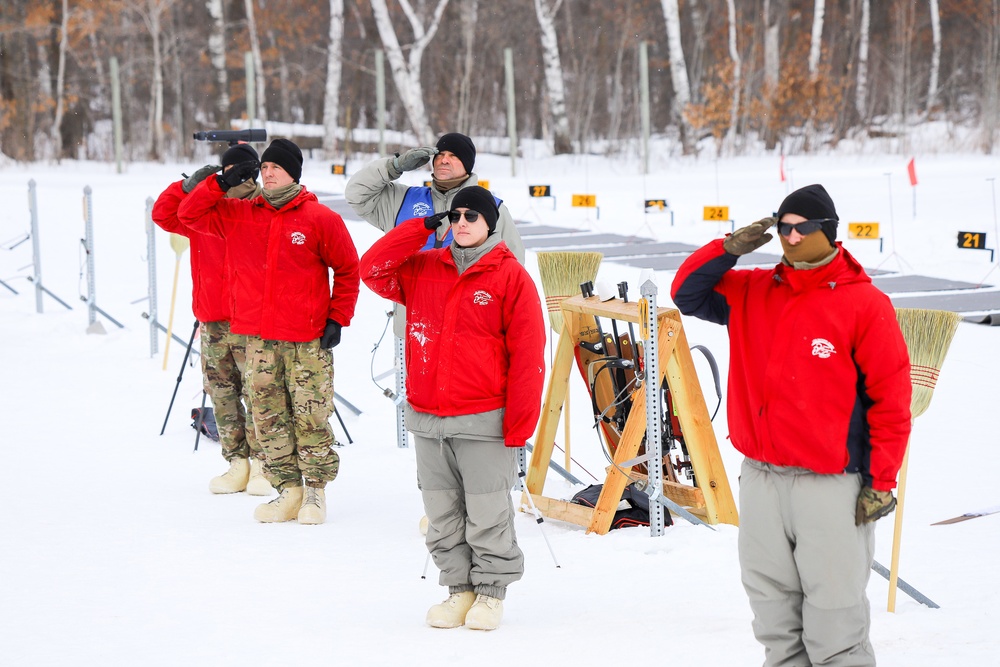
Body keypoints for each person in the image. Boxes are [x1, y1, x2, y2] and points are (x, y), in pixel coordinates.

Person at [670, 184, 912, 666]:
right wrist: (727, 249)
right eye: (784, 226)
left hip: (831, 483)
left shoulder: (864, 304)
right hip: (761, 477)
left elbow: (891, 402)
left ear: (829, 231)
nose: (791, 236)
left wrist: (881, 482)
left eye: (803, 227)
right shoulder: (752, 290)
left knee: (834, 618)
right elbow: (686, 293)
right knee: (773, 613)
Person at [359, 186, 545, 631]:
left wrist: (519, 425)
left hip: (484, 419)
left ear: (490, 225)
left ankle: (490, 594)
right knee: (442, 516)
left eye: (472, 216)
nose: (462, 223)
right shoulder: (424, 267)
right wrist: (420, 227)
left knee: (487, 514)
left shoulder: (510, 276)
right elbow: (372, 269)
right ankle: (457, 591)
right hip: (428, 417)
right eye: (455, 215)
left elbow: (528, 354)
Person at [178, 138, 360, 525]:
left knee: (309, 415)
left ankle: (314, 492)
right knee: (268, 416)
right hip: (257, 339)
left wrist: (337, 319)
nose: (268, 171)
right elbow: (189, 216)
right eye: (264, 167)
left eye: (276, 166)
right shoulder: (239, 213)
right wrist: (219, 183)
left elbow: (347, 269)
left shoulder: (320, 219)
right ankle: (287, 490)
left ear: (293, 172)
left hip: (306, 339)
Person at [151, 144, 271, 496]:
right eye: (228, 169)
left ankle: (264, 462)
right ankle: (237, 463)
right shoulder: (203, 211)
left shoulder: (260, 206)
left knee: (259, 393)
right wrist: (189, 187)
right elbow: (163, 214)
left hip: (252, 319)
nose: (234, 176)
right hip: (213, 318)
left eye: (241, 169)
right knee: (222, 394)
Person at [346, 132, 525, 341]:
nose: (444, 160)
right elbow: (355, 194)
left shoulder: (492, 208)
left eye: (454, 155)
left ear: (467, 164)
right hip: (414, 330)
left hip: (470, 332)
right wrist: (394, 166)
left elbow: (514, 268)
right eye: (440, 154)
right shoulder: (403, 200)